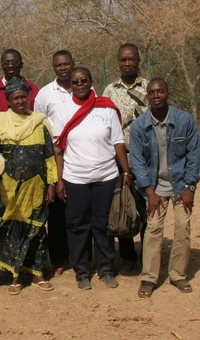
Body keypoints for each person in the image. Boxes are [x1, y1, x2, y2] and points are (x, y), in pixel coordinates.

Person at [53, 67, 130, 290]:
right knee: (77, 226)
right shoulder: (63, 110)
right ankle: (82, 270)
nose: (79, 84)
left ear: (91, 82)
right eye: (75, 81)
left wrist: (126, 171)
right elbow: (58, 150)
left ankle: (106, 268)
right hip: (75, 178)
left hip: (105, 176)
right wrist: (60, 180)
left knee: (103, 224)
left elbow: (118, 142)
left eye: (83, 80)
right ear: (71, 84)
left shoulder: (106, 108)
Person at [129, 78, 200, 298]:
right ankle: (149, 278)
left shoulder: (184, 120)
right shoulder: (140, 125)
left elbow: (194, 155)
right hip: (154, 187)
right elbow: (137, 162)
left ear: (168, 94)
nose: (156, 95)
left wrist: (190, 186)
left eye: (160, 91)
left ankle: (177, 274)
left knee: (182, 228)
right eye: (152, 92)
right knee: (153, 230)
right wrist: (149, 192)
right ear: (147, 97)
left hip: (182, 184)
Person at [0, 77, 57, 295]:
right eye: (15, 98)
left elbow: (48, 156)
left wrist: (52, 184)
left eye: (23, 97)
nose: (20, 101)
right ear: (8, 100)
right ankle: (14, 276)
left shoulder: (39, 122)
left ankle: (37, 272)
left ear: (28, 98)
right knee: (12, 229)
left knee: (36, 229)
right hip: (7, 189)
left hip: (37, 187)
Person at [103, 43, 150, 273]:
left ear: (138, 61)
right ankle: (128, 257)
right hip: (117, 159)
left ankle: (148, 257)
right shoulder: (110, 90)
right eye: (123, 59)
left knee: (145, 206)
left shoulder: (150, 88)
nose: (127, 63)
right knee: (122, 207)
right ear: (118, 62)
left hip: (146, 159)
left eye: (131, 59)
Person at [34, 49, 75, 277]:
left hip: (80, 157)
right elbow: (39, 125)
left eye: (67, 64)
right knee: (57, 211)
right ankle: (59, 258)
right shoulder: (44, 94)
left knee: (78, 211)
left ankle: (82, 256)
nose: (63, 68)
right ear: (54, 67)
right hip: (53, 157)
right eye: (59, 65)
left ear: (72, 64)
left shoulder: (85, 89)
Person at [0, 49, 39, 115]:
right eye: (6, 63)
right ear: (2, 66)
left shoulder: (33, 90)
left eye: (14, 62)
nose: (10, 66)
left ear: (21, 65)